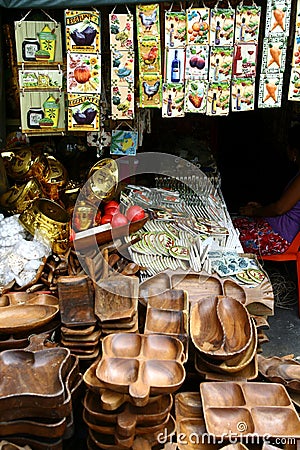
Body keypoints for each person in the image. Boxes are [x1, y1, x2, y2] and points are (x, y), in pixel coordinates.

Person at [232, 122, 300, 256]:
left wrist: (255, 211)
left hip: (280, 237)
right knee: (231, 222)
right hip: (277, 228)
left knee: (229, 236)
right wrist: (261, 209)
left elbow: (279, 208)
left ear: (294, 152)